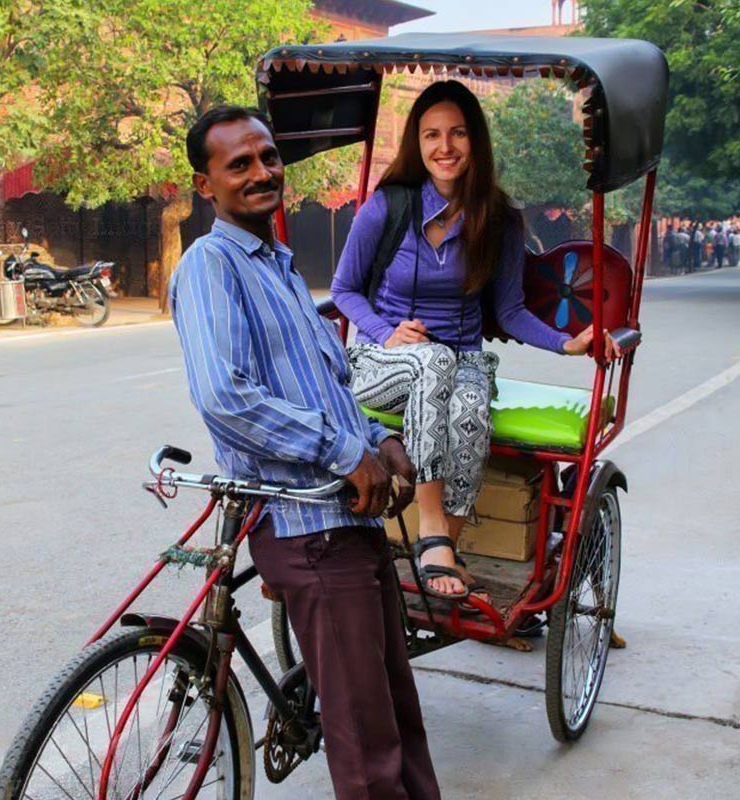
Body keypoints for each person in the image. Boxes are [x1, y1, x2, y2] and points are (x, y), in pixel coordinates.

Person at [169, 105, 441, 800]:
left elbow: (325, 385)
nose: (261, 174)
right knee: (368, 753)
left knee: (396, 717)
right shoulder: (211, 265)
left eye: (268, 158)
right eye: (240, 165)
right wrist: (341, 450)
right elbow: (227, 397)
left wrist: (378, 440)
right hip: (307, 530)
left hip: (348, 522)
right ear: (208, 185)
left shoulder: (279, 264)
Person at [331, 80, 619, 600]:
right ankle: (432, 529)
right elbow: (344, 289)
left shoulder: (498, 219)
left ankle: (448, 554)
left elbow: (509, 311)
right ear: (417, 145)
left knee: (468, 404)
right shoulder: (389, 207)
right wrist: (385, 331)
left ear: (474, 141)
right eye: (432, 135)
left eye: (457, 133)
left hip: (459, 363)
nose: (445, 147)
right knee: (434, 362)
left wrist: (566, 343)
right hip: (383, 363)